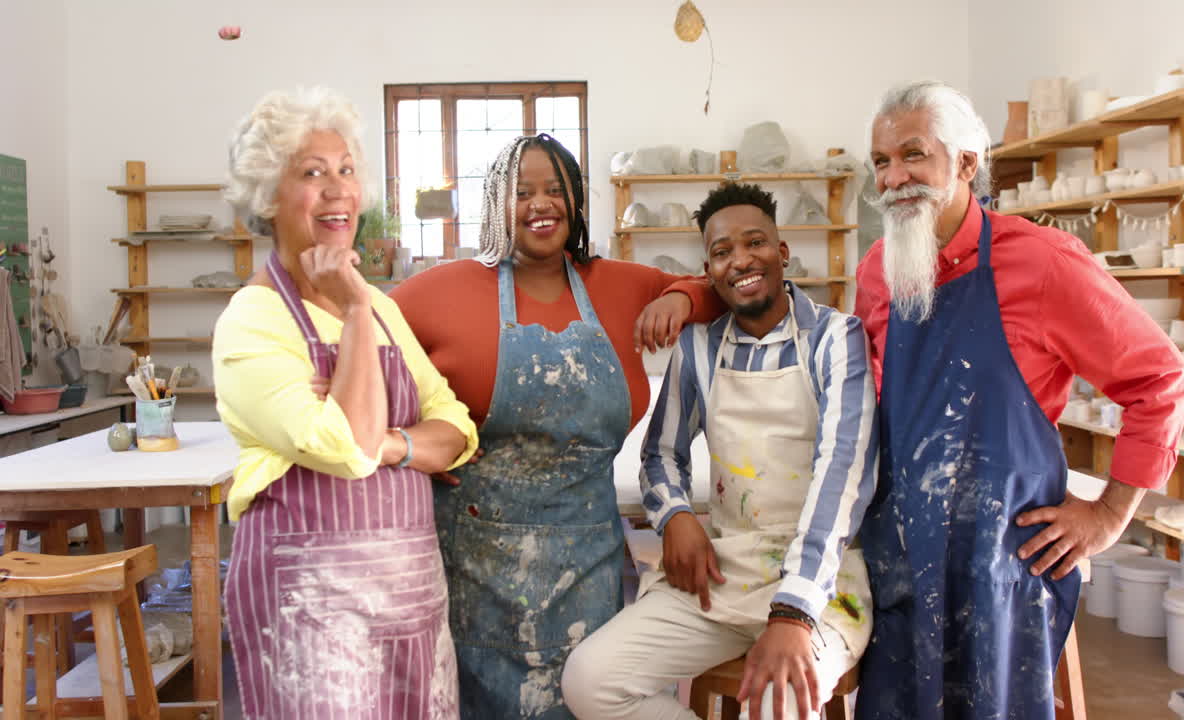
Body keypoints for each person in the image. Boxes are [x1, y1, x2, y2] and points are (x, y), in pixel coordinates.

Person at [852, 80, 1184, 720]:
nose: (894, 177)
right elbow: (871, 409)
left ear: (966, 163)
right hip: (897, 561)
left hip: (999, 569)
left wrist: (1110, 515)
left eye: (913, 155)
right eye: (881, 161)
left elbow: (1160, 378)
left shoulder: (1043, 264)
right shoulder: (877, 270)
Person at [390, 133, 724, 719]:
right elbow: (361, 352)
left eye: (554, 189)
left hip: (586, 558)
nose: (540, 204)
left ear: (574, 201)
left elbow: (719, 288)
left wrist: (680, 298)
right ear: (497, 204)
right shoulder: (437, 292)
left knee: (589, 695)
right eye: (522, 192)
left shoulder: (617, 284)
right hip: (474, 558)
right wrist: (415, 446)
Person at [562, 182, 877, 720]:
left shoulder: (836, 337)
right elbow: (662, 454)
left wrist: (795, 614)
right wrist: (677, 516)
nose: (741, 260)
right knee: (590, 682)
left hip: (822, 581)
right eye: (722, 252)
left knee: (781, 702)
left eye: (755, 243)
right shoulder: (699, 346)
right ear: (708, 271)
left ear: (782, 253)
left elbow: (841, 476)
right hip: (725, 571)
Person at [214, 87, 478, 720]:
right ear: (267, 198)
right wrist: (355, 308)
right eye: (312, 173)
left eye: (346, 170)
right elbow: (347, 450)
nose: (338, 190)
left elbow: (458, 429)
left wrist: (395, 442)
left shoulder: (386, 310)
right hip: (309, 611)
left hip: (411, 597)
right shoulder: (255, 320)